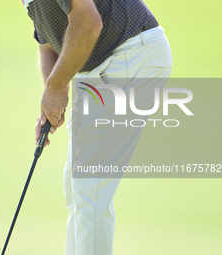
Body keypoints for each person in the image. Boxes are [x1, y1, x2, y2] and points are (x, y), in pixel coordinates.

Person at [22, 0, 173, 254]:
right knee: (77, 188)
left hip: (131, 54)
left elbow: (89, 23)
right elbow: (47, 42)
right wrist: (52, 96)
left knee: (89, 189)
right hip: (107, 66)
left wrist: (56, 89)